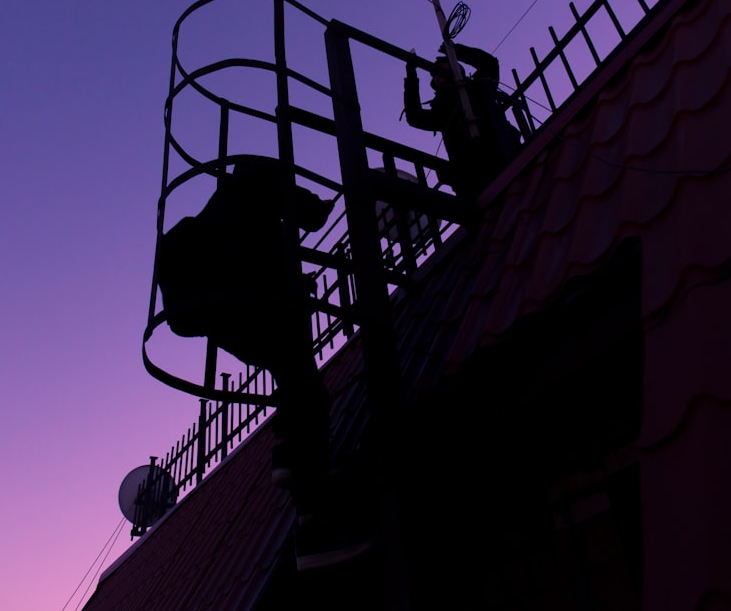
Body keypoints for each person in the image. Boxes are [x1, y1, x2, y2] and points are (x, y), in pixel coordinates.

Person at [157, 158, 372, 570]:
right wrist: (323, 204)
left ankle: (290, 453)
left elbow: (248, 255)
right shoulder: (258, 186)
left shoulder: (226, 213)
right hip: (248, 305)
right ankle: (312, 518)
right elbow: (309, 214)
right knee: (305, 387)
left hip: (217, 312)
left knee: (292, 378)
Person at [403, 42, 518, 198]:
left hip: (505, 156)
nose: (438, 74)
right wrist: (411, 74)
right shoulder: (442, 110)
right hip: (472, 177)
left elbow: (489, 63)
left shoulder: (479, 87)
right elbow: (415, 117)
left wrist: (456, 51)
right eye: (435, 74)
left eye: (444, 69)